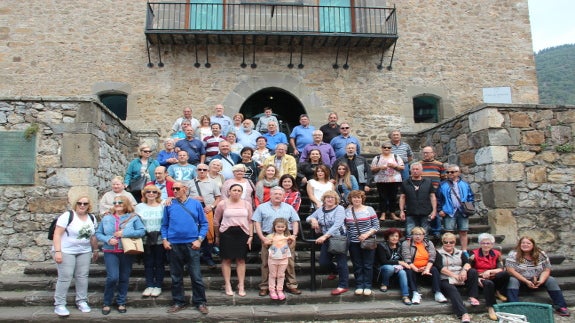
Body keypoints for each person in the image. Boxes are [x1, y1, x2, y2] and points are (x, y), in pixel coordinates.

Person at [161, 182, 209, 315]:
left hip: (191, 244)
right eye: (173, 189)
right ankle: (178, 301)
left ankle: (200, 302)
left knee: (196, 275)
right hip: (174, 244)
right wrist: (165, 240)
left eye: (177, 188)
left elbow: (204, 224)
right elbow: (164, 224)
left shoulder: (195, 204)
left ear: (185, 189)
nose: (175, 191)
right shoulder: (169, 205)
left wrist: (199, 239)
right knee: (176, 276)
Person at [95, 195, 145, 315]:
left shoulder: (133, 217)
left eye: (120, 202)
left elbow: (142, 231)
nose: (117, 204)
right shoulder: (107, 218)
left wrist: (125, 233)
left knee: (124, 277)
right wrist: (108, 240)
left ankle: (121, 301)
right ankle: (107, 302)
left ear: (126, 203)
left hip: (126, 251)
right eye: (115, 202)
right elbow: (98, 233)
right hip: (110, 251)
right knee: (112, 277)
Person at [52, 196, 98, 317]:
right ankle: (59, 304)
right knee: (65, 276)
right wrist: (58, 251)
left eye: (85, 203)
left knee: (82, 276)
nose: (82, 205)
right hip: (66, 250)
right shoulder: (67, 216)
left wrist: (96, 249)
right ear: (75, 204)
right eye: (79, 203)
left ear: (89, 205)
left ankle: (82, 300)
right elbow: (57, 234)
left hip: (84, 250)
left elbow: (93, 236)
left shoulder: (91, 217)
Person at [253, 186, 301, 296]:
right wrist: (262, 238)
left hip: (286, 238)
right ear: (270, 195)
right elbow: (257, 223)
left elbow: (295, 221)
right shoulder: (261, 207)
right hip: (268, 238)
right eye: (275, 194)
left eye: (280, 194)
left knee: (289, 262)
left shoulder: (289, 208)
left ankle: (291, 285)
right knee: (266, 262)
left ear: (283, 196)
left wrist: (294, 235)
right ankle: (265, 286)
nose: (278, 196)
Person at [505, 236, 570, 317]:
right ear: (519, 244)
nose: (525, 245)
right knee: (512, 280)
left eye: (528, 243)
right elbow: (510, 270)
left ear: (533, 245)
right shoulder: (513, 254)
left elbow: (546, 270)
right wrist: (526, 281)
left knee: (551, 280)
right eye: (523, 243)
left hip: (537, 279)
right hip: (520, 279)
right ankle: (513, 306)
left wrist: (541, 280)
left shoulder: (541, 254)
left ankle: (561, 306)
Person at [306, 190, 349, 296]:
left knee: (341, 261)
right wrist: (313, 220)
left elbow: (337, 224)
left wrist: (324, 236)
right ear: (324, 199)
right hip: (326, 239)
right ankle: (334, 271)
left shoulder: (339, 209)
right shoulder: (320, 209)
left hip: (339, 238)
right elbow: (308, 218)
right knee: (323, 262)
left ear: (336, 200)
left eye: (332, 198)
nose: (330, 199)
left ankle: (343, 285)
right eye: (327, 197)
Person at [213, 184, 253, 297]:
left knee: (241, 260)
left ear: (242, 192)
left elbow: (250, 221)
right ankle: (227, 284)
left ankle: (241, 285)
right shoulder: (222, 203)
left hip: (242, 233)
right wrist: (217, 236)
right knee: (227, 260)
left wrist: (250, 236)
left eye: (239, 190)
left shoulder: (247, 204)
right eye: (234, 190)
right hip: (226, 233)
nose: (236, 192)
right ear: (229, 191)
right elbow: (216, 221)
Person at [434, 233, 479, 323]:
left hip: (460, 275)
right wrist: (454, 275)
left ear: (454, 242)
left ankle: (472, 296)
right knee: (453, 290)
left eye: (451, 242)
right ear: (442, 242)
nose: (448, 244)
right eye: (446, 242)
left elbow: (467, 263)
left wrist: (464, 271)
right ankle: (463, 313)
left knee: (473, 272)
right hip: (446, 277)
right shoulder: (438, 253)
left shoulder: (460, 252)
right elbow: (440, 268)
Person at [345, 190, 380, 296]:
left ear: (362, 199)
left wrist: (366, 234)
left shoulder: (369, 209)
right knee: (357, 264)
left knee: (368, 264)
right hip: (353, 242)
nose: (357, 199)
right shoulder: (347, 211)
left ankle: (368, 285)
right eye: (354, 197)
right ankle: (359, 285)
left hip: (368, 241)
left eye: (359, 197)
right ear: (350, 199)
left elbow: (376, 226)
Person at [188, 163, 222, 269]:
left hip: (207, 211)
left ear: (207, 171)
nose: (202, 171)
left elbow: (218, 198)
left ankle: (208, 257)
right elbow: (184, 198)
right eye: (199, 169)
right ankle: (193, 259)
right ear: (196, 171)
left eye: (204, 169)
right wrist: (193, 199)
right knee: (193, 234)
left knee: (208, 235)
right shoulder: (190, 183)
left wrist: (211, 206)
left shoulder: (213, 183)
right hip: (193, 213)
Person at [469, 233, 510, 321]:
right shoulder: (474, 254)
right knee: (488, 283)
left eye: (488, 243)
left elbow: (501, 268)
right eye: (483, 243)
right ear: (480, 244)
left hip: (492, 275)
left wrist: (490, 271)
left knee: (505, 274)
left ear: (492, 244)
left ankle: (498, 292)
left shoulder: (496, 253)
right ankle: (491, 308)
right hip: (481, 277)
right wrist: (477, 278)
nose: (485, 245)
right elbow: (469, 269)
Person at [401, 227, 446, 305]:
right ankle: (415, 293)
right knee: (409, 271)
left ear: (423, 236)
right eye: (415, 234)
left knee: (434, 269)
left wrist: (427, 269)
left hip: (426, 266)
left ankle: (437, 293)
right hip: (413, 266)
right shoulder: (406, 243)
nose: (417, 236)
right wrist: (417, 269)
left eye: (420, 234)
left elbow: (432, 257)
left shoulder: (429, 243)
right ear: (412, 235)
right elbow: (407, 259)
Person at [135, 185, 165, 298]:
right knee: (148, 263)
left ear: (158, 194)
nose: (151, 194)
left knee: (159, 263)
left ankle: (158, 285)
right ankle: (149, 284)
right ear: (144, 194)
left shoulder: (162, 206)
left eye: (154, 192)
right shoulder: (139, 207)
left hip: (159, 238)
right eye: (148, 192)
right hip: (145, 239)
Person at [437, 164, 474, 253]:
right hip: (449, 211)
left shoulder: (465, 184)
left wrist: (470, 206)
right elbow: (438, 198)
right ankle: (449, 250)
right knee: (449, 232)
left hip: (462, 211)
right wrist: (440, 209)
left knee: (463, 231)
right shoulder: (442, 185)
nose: (450, 173)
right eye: (448, 172)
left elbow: (470, 196)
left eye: (452, 172)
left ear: (458, 172)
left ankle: (464, 250)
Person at [399, 162, 437, 238]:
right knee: (409, 235)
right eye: (413, 169)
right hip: (411, 212)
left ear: (421, 170)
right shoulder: (405, 183)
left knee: (424, 235)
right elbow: (402, 197)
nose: (415, 171)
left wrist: (434, 210)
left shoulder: (428, 182)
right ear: (410, 171)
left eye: (417, 169)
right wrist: (401, 210)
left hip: (425, 212)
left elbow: (432, 196)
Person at [375, 228, 412, 305]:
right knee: (389, 268)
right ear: (387, 237)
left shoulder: (400, 246)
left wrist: (402, 263)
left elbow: (405, 258)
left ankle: (405, 296)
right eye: (392, 236)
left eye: (396, 236)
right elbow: (383, 261)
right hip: (383, 268)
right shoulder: (381, 246)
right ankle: (384, 283)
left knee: (402, 273)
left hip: (397, 268)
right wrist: (399, 262)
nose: (394, 238)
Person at [371, 141, 404, 221]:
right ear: (382, 148)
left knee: (393, 197)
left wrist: (394, 166)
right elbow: (372, 169)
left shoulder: (396, 156)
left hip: (394, 180)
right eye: (384, 147)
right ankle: (383, 213)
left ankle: (392, 213)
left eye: (388, 147)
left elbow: (402, 168)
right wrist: (379, 168)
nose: (386, 149)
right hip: (381, 180)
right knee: (382, 197)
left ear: (391, 149)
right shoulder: (377, 158)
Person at [419, 146, 446, 240]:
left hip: (435, 191)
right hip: (422, 192)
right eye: (424, 152)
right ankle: (424, 230)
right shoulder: (419, 164)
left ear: (433, 153)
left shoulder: (439, 164)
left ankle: (436, 231)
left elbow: (443, 178)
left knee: (435, 211)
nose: (425, 154)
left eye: (427, 152)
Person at [266, 218, 294, 300]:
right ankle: (272, 290)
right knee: (272, 275)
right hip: (272, 259)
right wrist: (267, 242)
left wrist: (291, 240)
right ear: (274, 227)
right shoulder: (271, 236)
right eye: (278, 226)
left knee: (281, 275)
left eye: (282, 227)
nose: (280, 228)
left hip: (283, 258)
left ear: (285, 227)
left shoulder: (287, 237)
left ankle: (280, 290)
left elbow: (290, 246)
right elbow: (266, 244)